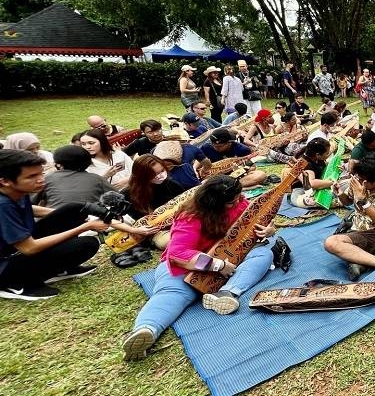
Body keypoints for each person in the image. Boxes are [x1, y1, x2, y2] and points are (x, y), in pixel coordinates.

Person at [122, 175, 278, 360]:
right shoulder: (190, 217)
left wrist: (269, 230)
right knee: (172, 294)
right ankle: (146, 330)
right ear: (213, 202)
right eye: (231, 201)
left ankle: (227, 294)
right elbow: (177, 254)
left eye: (238, 198)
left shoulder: (239, 203)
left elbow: (257, 223)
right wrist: (216, 265)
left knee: (263, 254)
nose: (238, 202)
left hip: (229, 258)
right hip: (189, 267)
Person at [0, 149, 105, 300]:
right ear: (5, 181)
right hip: (6, 266)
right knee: (87, 244)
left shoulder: (15, 192)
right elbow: (30, 248)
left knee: (74, 209)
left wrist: (65, 215)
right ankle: (13, 284)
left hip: (15, 248)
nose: (41, 179)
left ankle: (58, 269)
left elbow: (29, 208)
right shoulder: (3, 205)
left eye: (41, 173)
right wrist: (84, 227)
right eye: (32, 176)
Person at [33, 145, 114, 208]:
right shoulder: (97, 179)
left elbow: (31, 202)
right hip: (91, 219)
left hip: (55, 220)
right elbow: (117, 199)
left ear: (59, 164)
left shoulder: (48, 178)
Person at [198, 129, 268, 188]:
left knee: (260, 175)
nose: (215, 148)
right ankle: (231, 188)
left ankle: (229, 187)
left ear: (229, 142)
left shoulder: (242, 149)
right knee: (204, 183)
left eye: (219, 146)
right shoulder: (207, 147)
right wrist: (195, 168)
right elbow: (199, 159)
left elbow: (253, 167)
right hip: (215, 179)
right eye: (213, 145)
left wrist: (240, 170)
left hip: (234, 177)